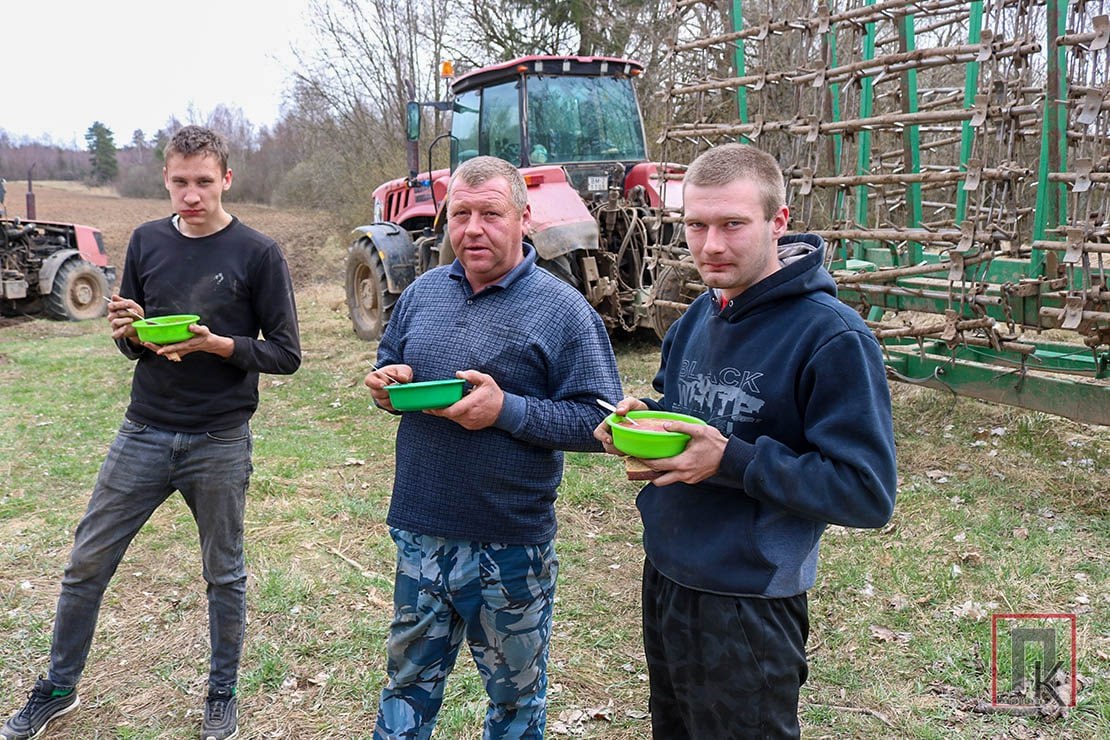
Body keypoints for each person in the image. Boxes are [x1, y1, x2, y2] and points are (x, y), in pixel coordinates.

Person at [0, 125, 301, 740]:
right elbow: (131, 341)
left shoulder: (258, 253)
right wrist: (128, 330)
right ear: (166, 178)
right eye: (180, 182)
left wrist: (217, 344)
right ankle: (58, 687)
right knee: (86, 563)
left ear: (226, 180)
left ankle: (221, 694)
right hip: (144, 430)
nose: (191, 195)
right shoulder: (146, 240)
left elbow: (286, 354)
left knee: (224, 574)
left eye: (204, 182)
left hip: (219, 439)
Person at [594, 142, 898, 739]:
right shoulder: (697, 317)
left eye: (732, 224)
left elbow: (867, 492)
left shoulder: (832, 337)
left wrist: (731, 461)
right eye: (696, 225)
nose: (710, 245)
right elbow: (684, 413)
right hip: (667, 574)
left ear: (777, 221)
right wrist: (643, 422)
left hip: (749, 599)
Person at [364, 155, 622, 739]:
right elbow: (390, 362)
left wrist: (506, 410)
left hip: (508, 546)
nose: (473, 229)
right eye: (461, 215)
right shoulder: (423, 293)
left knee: (515, 703)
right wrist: (387, 384)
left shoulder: (563, 310)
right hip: (422, 531)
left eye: (491, 214)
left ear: (524, 218)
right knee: (405, 687)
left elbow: (601, 421)